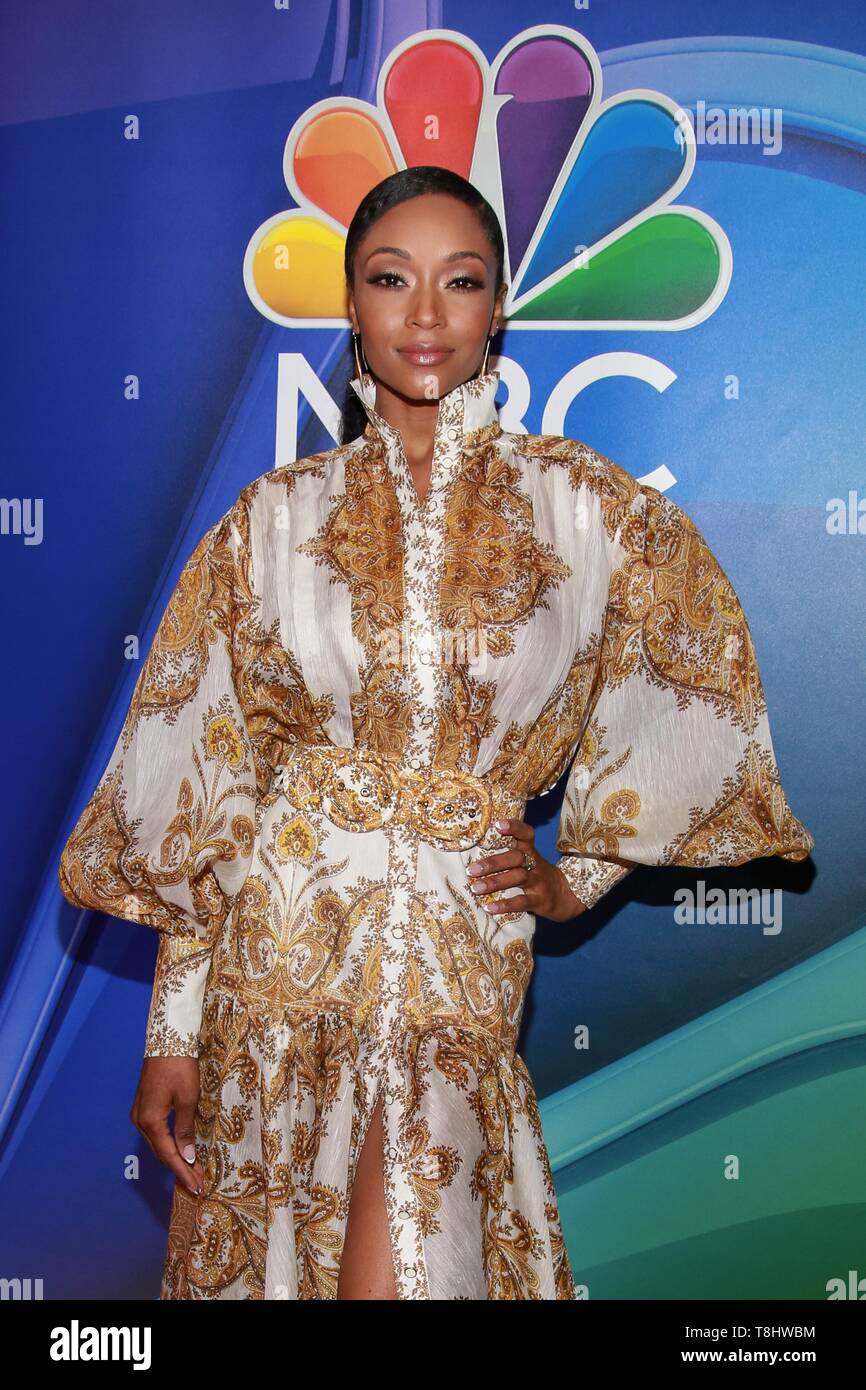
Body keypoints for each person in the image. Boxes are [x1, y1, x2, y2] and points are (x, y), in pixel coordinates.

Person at [58, 165, 814, 1301]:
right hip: (278, 981)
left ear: (496, 307)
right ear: (352, 308)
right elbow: (207, 789)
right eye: (388, 279)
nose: (423, 314)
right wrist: (174, 1029)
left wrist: (585, 874)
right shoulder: (269, 522)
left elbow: (688, 680)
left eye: (458, 282)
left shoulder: (583, 508)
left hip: (456, 976)